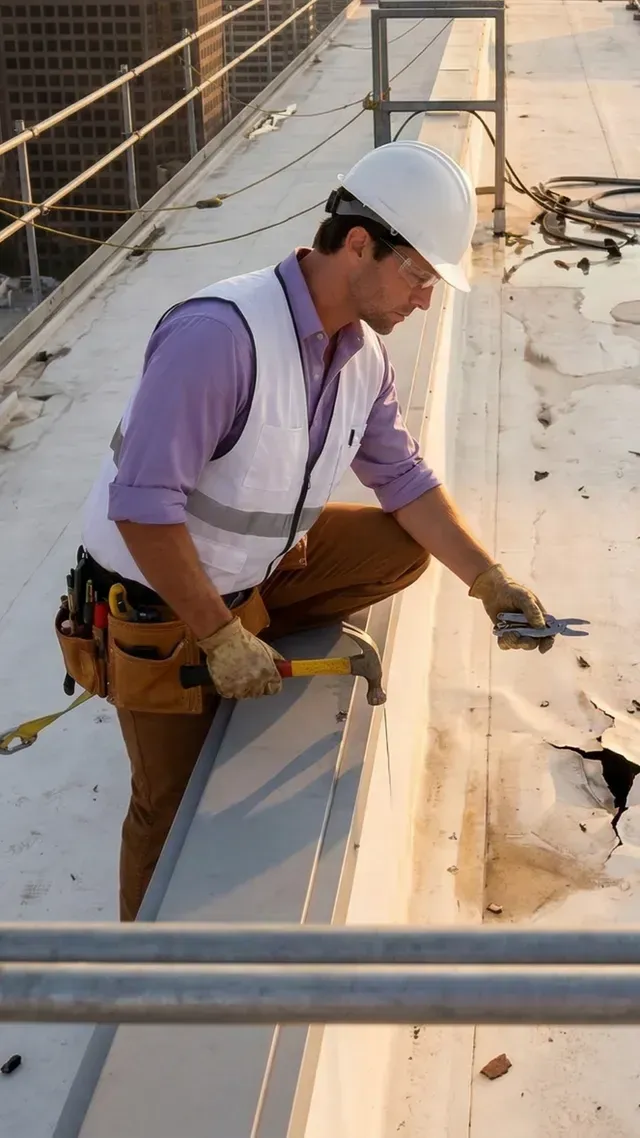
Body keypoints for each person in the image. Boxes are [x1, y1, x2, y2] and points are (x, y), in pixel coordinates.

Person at [80, 141, 554, 921]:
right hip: (154, 595)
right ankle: (138, 979)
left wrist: (487, 577)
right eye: (420, 275)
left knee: (402, 548)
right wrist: (219, 633)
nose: (426, 300)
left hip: (255, 569)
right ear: (360, 244)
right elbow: (143, 507)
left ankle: (255, 619)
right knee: (165, 807)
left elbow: (404, 480)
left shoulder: (362, 354)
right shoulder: (220, 337)